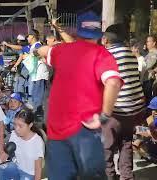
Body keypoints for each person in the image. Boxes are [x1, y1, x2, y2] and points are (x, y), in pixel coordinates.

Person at [37, 11, 123, 180]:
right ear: (99, 34)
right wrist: (105, 115)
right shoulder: (102, 55)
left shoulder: (61, 51)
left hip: (57, 128)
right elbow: (113, 82)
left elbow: (42, 50)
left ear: (78, 31)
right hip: (85, 129)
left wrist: (40, 48)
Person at [101, 24, 146, 180]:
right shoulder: (131, 55)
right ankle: (126, 177)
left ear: (105, 39)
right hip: (132, 110)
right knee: (126, 144)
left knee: (106, 148)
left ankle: (109, 176)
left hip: (114, 110)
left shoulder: (105, 55)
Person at [0, 109, 44, 180]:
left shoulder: (37, 141)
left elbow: (38, 168)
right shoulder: (14, 134)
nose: (17, 129)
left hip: (29, 173)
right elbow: (6, 153)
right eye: (15, 124)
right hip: (16, 166)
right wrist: (3, 156)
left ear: (30, 125)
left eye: (20, 126)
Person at [142, 35, 157, 102]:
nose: (146, 43)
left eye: (148, 41)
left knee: (149, 101)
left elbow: (146, 66)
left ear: (154, 43)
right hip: (147, 80)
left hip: (149, 81)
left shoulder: (154, 53)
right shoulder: (150, 53)